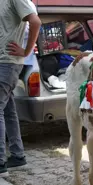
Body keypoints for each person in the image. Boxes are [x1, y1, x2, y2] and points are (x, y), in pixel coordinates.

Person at [0, 0, 41, 177]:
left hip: (7, 63)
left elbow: (36, 22)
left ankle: (1, 164)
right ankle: (18, 156)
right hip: (2, 62)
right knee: (8, 111)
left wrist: (26, 51)